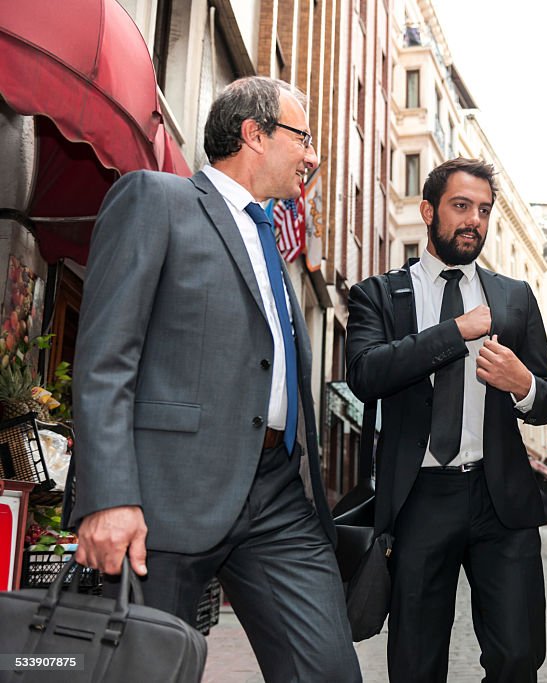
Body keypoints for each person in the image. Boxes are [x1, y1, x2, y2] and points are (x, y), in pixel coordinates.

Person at [70, 77, 361, 682]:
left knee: (329, 670)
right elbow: (105, 359)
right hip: (164, 495)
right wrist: (109, 496)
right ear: (254, 134)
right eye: (303, 138)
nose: (313, 156)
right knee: (146, 673)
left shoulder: (272, 244)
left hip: (277, 494)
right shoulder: (156, 200)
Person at [346, 158, 547, 682]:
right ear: (428, 210)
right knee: (416, 663)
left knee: (518, 654)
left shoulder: (514, 296)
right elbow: (366, 373)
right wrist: (455, 332)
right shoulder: (379, 293)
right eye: (461, 206)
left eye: (484, 211)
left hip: (500, 496)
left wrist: (523, 385)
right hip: (419, 497)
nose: (475, 221)